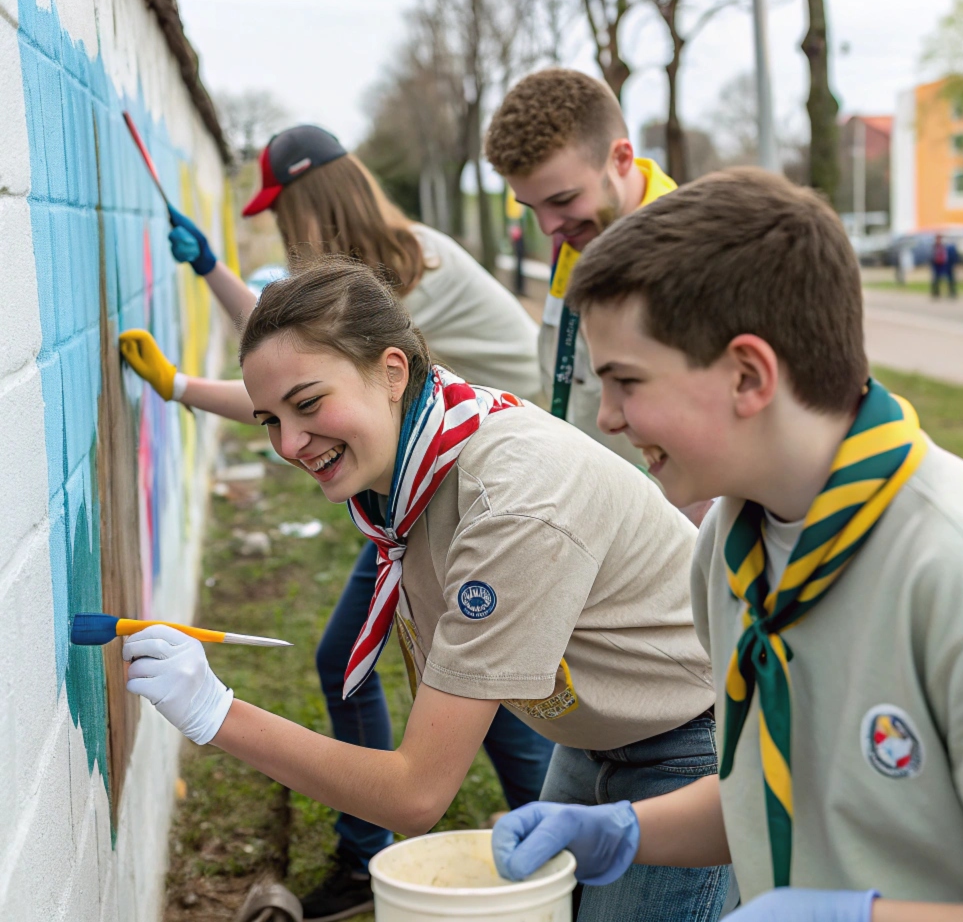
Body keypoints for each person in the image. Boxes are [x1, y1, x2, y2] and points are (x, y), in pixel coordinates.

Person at [121, 258, 733, 922]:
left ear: (392, 371)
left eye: (307, 405)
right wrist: (188, 387)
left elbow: (417, 794)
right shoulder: (426, 438)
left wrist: (215, 713)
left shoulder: (510, 507)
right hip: (594, 739)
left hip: (695, 746)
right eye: (269, 419)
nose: (290, 443)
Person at [491, 168, 963, 921]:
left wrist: (858, 918)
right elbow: (778, 789)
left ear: (748, 375)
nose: (606, 417)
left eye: (627, 382)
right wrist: (627, 829)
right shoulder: (727, 548)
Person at [119, 125, 553, 921]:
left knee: (487, 687)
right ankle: (452, 841)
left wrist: (181, 384)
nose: (284, 232)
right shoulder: (386, 267)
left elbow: (303, 377)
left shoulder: (404, 272)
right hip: (431, 488)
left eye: (284, 212)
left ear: (313, 204)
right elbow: (294, 370)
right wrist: (212, 271)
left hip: (491, 497)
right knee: (414, 671)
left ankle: (546, 847)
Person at [484, 68, 676, 464]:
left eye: (563, 199)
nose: (548, 226)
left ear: (622, 158)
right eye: (531, 207)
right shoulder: (578, 237)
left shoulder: (689, 262)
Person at [930, 233, 958, 298]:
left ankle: (952, 292)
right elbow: (932, 256)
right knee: (936, 278)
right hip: (937, 264)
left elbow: (951, 256)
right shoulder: (935, 246)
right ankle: (936, 292)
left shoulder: (945, 246)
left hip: (945, 264)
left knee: (950, 278)